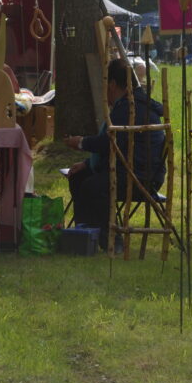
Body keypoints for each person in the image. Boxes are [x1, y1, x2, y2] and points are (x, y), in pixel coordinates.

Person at [63, 57, 166, 248]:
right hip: (131, 169)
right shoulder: (129, 105)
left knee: (93, 186)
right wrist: (86, 163)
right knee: (79, 177)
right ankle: (85, 233)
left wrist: (81, 143)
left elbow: (109, 143)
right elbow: (120, 146)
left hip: (138, 176)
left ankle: (109, 237)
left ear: (112, 84)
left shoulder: (130, 107)